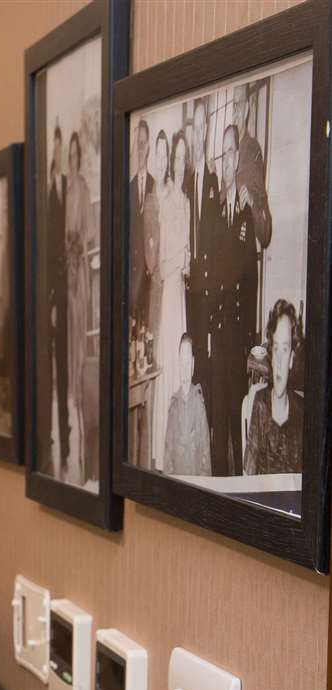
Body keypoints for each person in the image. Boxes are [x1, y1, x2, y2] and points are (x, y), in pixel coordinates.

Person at [208, 123, 263, 474]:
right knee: (219, 421)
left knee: (236, 420)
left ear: (237, 159)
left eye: (232, 152)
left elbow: (251, 278)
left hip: (238, 334)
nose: (227, 159)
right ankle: (218, 482)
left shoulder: (245, 212)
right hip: (218, 331)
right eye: (223, 152)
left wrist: (249, 339)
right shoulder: (213, 212)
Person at [151, 130, 192, 469]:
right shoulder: (163, 198)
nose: (177, 164)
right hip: (166, 292)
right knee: (166, 361)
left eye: (181, 158)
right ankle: (160, 451)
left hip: (180, 293)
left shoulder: (187, 202)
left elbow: (187, 262)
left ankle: (178, 448)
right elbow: (162, 262)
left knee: (182, 361)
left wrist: (186, 261)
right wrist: (179, 260)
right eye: (173, 158)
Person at [186, 96, 221, 417]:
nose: (198, 133)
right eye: (194, 126)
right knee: (192, 354)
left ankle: (207, 422)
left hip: (208, 283)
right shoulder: (185, 178)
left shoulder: (213, 177)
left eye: (202, 125)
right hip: (188, 282)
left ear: (207, 128)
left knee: (207, 354)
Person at [64, 131, 95, 483]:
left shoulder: (83, 188)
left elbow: (87, 230)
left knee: (81, 329)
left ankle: (80, 393)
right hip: (66, 271)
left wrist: (77, 245)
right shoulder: (64, 188)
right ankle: (71, 392)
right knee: (68, 335)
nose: (72, 159)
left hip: (81, 269)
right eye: (69, 155)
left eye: (76, 153)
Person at [243, 299, 303, 475]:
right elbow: (248, 476)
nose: (279, 361)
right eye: (275, 348)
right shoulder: (260, 404)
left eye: (284, 349)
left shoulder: (303, 413)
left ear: (292, 358)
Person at [45, 124, 71, 476]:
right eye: (56, 150)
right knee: (48, 372)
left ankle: (65, 438)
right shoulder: (46, 192)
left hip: (67, 293)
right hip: (49, 295)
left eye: (63, 149)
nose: (60, 155)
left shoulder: (66, 187)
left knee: (64, 368)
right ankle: (48, 435)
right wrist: (50, 298)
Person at [162, 333, 212, 477]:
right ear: (178, 364)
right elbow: (168, 452)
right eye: (182, 363)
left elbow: (205, 453)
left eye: (188, 363)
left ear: (193, 365)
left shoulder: (199, 404)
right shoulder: (173, 405)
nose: (185, 368)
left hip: (196, 480)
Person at [129, 118, 154, 345]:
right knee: (133, 337)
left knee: (149, 337)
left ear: (149, 148)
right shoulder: (129, 189)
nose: (141, 148)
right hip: (133, 278)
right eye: (138, 143)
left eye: (144, 143)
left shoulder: (156, 185)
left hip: (150, 277)